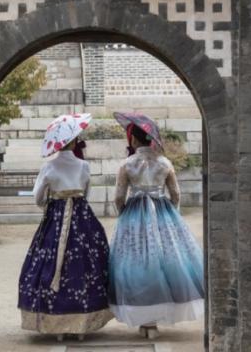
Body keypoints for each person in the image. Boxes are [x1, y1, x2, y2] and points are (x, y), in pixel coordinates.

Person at [108, 112, 205, 339]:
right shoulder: (164, 163)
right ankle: (156, 319)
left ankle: (146, 321)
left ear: (134, 139)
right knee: (168, 262)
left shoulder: (127, 164)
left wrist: (124, 213)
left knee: (136, 264)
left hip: (134, 214)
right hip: (162, 211)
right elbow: (176, 193)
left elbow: (119, 196)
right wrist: (172, 212)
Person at [18, 113, 113, 341]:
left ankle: (57, 324)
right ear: (74, 140)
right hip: (82, 218)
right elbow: (86, 192)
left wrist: (50, 205)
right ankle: (81, 324)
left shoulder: (49, 167)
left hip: (56, 217)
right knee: (85, 265)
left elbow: (38, 197)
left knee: (48, 264)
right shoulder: (83, 166)